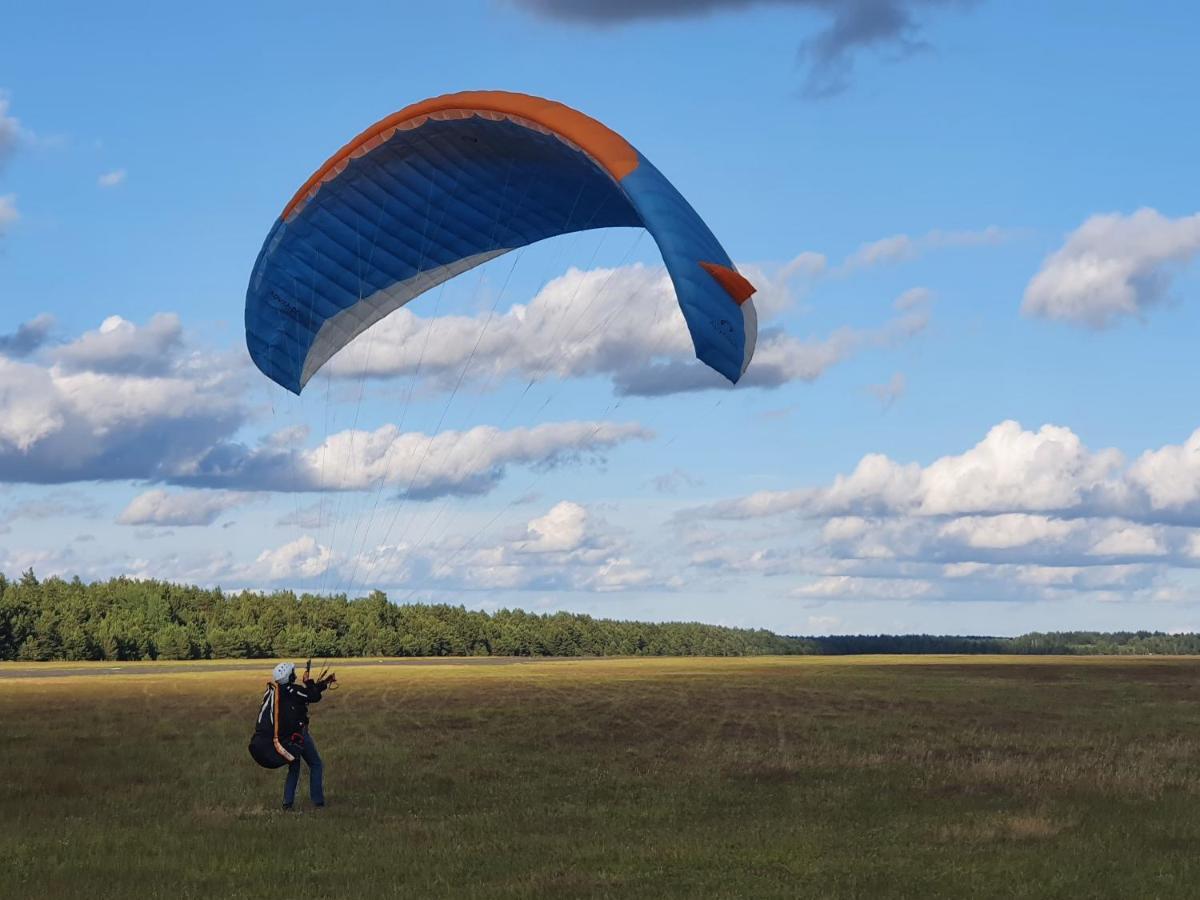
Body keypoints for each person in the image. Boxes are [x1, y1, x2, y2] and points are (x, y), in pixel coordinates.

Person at [250, 660, 336, 810]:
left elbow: (307, 694)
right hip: (298, 737)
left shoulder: (278, 692)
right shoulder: (292, 690)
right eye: (292, 673)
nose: (294, 674)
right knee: (316, 764)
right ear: (288, 676)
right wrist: (308, 682)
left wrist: (321, 684)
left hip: (287, 740)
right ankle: (318, 802)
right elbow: (312, 696)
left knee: (294, 768)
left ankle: (287, 803)